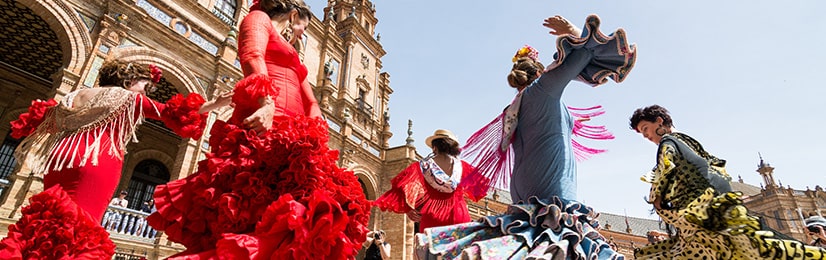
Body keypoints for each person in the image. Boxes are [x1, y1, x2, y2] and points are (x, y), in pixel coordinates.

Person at [147, 0, 371, 259]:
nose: (300, 33)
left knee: (293, 212)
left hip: (295, 131)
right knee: (254, 203)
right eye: (301, 27)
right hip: (265, 121)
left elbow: (309, 97)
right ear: (293, 14)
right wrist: (266, 103)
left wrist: (317, 131)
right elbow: (252, 55)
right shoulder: (258, 19)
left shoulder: (292, 50)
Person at [415, 14, 636, 259]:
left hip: (523, 192)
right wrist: (574, 32)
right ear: (542, 73)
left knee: (524, 245)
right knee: (559, 244)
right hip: (551, 191)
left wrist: (571, 122)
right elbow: (585, 55)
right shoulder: (543, 90)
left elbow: (543, 129)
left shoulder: (514, 108)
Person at [0, 59, 230, 259]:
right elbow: (171, 112)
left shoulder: (76, 94)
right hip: (96, 158)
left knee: (47, 221)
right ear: (130, 80)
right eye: (144, 86)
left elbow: (41, 119)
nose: (145, 92)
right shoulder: (127, 97)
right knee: (82, 227)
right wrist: (216, 104)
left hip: (61, 157)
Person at [629, 105, 826, 259]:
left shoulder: (668, 143)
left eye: (646, 128)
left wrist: (657, 197)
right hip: (716, 210)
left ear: (659, 121)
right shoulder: (689, 141)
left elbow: (667, 169)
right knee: (759, 247)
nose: (645, 136)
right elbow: (714, 171)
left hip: (700, 216)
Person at [375, 129, 485, 232]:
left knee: (430, 251)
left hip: (432, 220)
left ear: (434, 148)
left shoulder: (422, 166)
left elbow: (399, 187)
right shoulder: (462, 167)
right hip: (459, 216)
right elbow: (480, 186)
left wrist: (408, 209)